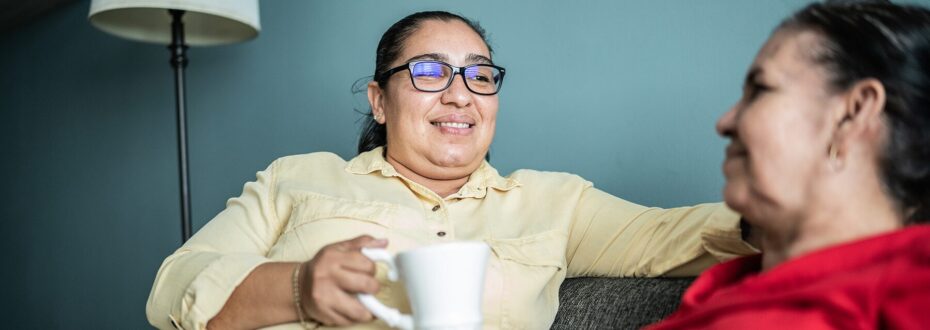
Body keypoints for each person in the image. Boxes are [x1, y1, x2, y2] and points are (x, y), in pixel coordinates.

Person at [145, 11, 758, 330]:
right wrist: (301, 286)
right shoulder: (296, 179)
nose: (460, 94)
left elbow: (679, 237)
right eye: (431, 72)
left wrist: (800, 207)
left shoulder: (555, 202)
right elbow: (173, 287)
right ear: (380, 101)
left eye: (479, 75)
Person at [649, 1, 930, 329]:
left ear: (853, 114)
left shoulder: (905, 302)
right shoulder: (727, 293)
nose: (724, 123)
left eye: (760, 90)